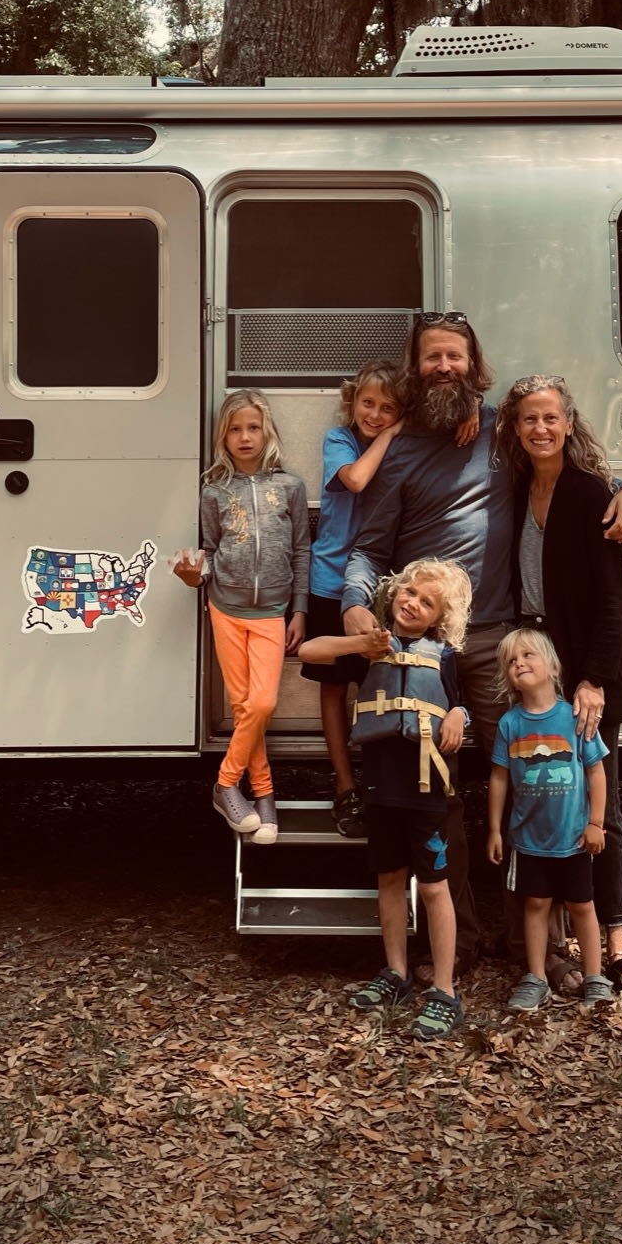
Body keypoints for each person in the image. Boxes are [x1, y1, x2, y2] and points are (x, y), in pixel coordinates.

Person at [341, 313, 622, 967]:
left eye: (455, 357)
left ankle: (537, 946)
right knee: (437, 795)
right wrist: (355, 603)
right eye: (432, 358)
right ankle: (461, 941)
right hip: (426, 653)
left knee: (538, 779)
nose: (443, 367)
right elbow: (367, 548)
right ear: (416, 369)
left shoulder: (503, 432)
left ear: (473, 367)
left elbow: (565, 462)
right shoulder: (400, 448)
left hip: (500, 641)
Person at [494, 373, 622, 998]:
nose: (540, 428)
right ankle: (556, 944)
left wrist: (593, 681)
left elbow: (614, 600)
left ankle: (616, 945)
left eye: (550, 418)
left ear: (568, 423)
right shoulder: (516, 488)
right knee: (544, 797)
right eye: (529, 419)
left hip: (587, 673)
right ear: (515, 428)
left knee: (600, 809)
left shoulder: (590, 493)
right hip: (537, 665)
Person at [302, 557, 470, 1041]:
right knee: (390, 879)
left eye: (427, 602)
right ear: (394, 592)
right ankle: (395, 972)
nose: (413, 603)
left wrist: (458, 714)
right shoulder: (370, 648)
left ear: (439, 617)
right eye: (409, 592)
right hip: (380, 786)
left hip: (426, 790)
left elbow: (457, 700)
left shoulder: (443, 654)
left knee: (434, 886)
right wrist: (360, 643)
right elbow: (309, 651)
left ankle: (445, 989)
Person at [173, 390, 309, 844]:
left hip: (272, 611)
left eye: (253, 427)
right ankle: (264, 796)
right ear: (223, 437)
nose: (245, 437)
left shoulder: (289, 488)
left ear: (267, 432)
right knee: (244, 708)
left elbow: (301, 550)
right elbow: (210, 552)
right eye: (235, 429)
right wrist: (194, 576)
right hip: (225, 608)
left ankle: (225, 783)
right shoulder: (213, 491)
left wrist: (300, 609)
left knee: (261, 704)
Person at [486, 627, 613, 1010]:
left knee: (582, 907)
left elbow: (596, 772)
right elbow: (499, 778)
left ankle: (595, 977)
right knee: (536, 905)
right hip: (528, 841)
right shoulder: (510, 724)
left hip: (574, 838)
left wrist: (595, 823)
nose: (519, 663)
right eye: (511, 660)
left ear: (553, 667)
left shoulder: (573, 717)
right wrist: (494, 829)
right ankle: (536, 977)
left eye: (528, 655)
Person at [304, 361, 406, 836]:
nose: (376, 415)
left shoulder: (403, 445)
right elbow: (357, 480)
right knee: (333, 687)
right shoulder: (339, 440)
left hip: (381, 586)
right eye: (368, 403)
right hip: (331, 580)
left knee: (380, 687)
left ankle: (380, 785)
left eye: (389, 408)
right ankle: (345, 786)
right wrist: (393, 434)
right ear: (352, 402)